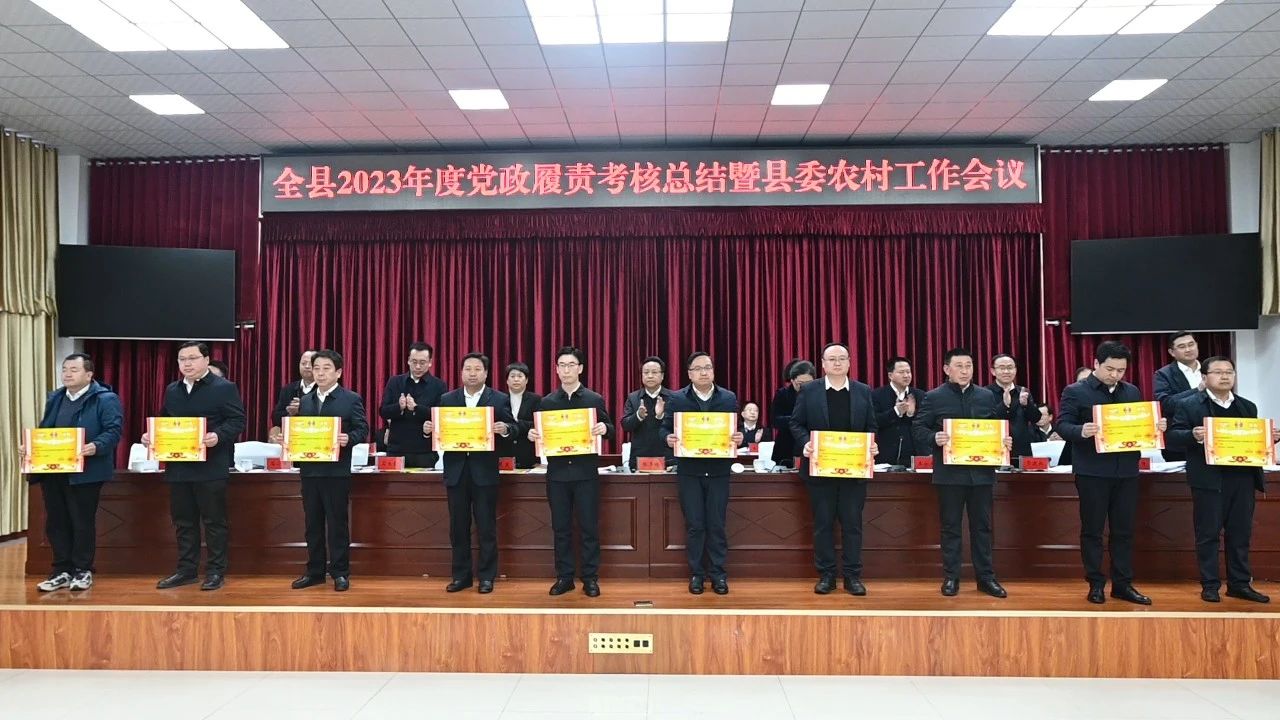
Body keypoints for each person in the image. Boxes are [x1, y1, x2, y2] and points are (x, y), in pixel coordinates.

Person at [1055, 341, 1165, 605]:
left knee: (1124, 531)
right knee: (1093, 530)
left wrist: (1155, 426)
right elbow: (1062, 425)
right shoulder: (1075, 391)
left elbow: (1138, 426)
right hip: (1092, 472)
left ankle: (1122, 584)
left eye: (1121, 370)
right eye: (1110, 369)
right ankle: (1095, 584)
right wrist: (1081, 431)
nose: (1115, 375)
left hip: (1126, 471)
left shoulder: (1132, 391)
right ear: (1096, 363)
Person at [1167, 356, 1274, 603]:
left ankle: (1239, 584)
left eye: (1229, 372)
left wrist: (1270, 439)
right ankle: (1210, 585)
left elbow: (1252, 441)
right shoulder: (1190, 405)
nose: (1225, 376)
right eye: (1218, 372)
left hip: (1243, 479)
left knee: (1240, 534)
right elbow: (1172, 437)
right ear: (1204, 378)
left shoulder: (1247, 406)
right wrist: (1193, 435)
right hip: (1209, 480)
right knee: (1208, 534)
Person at [146, 341, 245, 592]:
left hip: (211, 467)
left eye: (192, 358)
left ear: (206, 360)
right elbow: (165, 420)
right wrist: (152, 435)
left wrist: (218, 435)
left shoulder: (224, 388)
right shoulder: (173, 389)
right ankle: (186, 570)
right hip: (179, 466)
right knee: (183, 521)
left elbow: (237, 420)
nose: (187, 364)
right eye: (182, 359)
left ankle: (215, 571)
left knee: (214, 521)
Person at [913, 347, 1010, 599]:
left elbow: (994, 427)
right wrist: (934, 437)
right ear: (947, 369)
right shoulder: (934, 397)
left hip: (982, 474)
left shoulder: (986, 396)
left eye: (969, 366)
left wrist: (1003, 441)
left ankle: (986, 578)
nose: (965, 371)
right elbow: (918, 428)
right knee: (951, 528)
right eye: (959, 366)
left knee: (983, 528)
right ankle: (951, 577)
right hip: (950, 475)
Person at [21, 353, 123, 592]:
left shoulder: (105, 399)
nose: (67, 374)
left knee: (81, 521)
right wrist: (31, 448)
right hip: (53, 470)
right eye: (65, 369)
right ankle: (61, 570)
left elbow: (114, 430)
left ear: (89, 374)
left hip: (86, 472)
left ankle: (82, 570)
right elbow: (46, 430)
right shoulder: (56, 397)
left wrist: (95, 446)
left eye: (73, 370)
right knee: (56, 522)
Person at [423, 353, 514, 594]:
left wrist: (505, 429)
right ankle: (461, 576)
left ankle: (486, 577)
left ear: (486, 373)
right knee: (458, 527)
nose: (472, 373)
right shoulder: (447, 399)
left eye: (477, 369)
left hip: (485, 473)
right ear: (461, 372)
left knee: (486, 526)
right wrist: (428, 430)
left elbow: (515, 428)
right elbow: (438, 433)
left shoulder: (499, 399)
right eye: (468, 369)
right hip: (456, 472)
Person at [791, 342, 878, 596]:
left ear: (849, 362)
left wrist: (872, 445)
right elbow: (796, 423)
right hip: (820, 471)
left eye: (842, 358)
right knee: (823, 524)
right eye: (832, 359)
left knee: (853, 525)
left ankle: (852, 576)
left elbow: (871, 426)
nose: (837, 363)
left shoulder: (863, 391)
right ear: (823, 364)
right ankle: (826, 575)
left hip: (854, 472)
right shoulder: (810, 391)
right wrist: (806, 443)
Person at [527, 346, 614, 597]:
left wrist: (604, 428)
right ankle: (564, 577)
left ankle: (590, 578)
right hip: (557, 475)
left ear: (580, 368)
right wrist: (533, 434)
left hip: (586, 474)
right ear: (556, 370)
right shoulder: (547, 402)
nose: (566, 370)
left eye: (571, 365)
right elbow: (539, 434)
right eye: (562, 365)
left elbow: (611, 428)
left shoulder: (593, 400)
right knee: (561, 528)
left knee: (588, 527)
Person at [662, 352, 742, 595]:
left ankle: (718, 574)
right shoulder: (677, 399)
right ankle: (696, 574)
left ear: (713, 371)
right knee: (695, 525)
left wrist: (738, 437)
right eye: (698, 368)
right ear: (689, 374)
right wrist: (667, 437)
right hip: (690, 471)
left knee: (716, 524)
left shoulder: (728, 398)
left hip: (718, 471)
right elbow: (664, 428)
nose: (704, 372)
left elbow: (736, 430)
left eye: (707, 367)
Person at [289, 350, 367, 593]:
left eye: (326, 368)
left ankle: (340, 572)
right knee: (312, 524)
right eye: (316, 368)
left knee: (337, 524)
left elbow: (362, 428)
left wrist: (348, 438)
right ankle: (315, 571)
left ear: (338, 372)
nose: (320, 373)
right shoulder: (304, 400)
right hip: (310, 471)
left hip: (336, 472)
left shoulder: (350, 399)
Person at [378, 342, 446, 468]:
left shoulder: (438, 385)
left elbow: (440, 415)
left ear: (430, 362)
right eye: (414, 362)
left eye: (422, 362)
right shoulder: (395, 382)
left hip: (424, 451)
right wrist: (399, 407)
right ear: (408, 360)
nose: (418, 366)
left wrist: (416, 408)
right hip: (396, 450)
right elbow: (383, 411)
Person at [1154, 331, 1204, 462]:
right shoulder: (1163, 374)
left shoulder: (1210, 370)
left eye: (1191, 344)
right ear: (1172, 352)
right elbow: (1166, 404)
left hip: (1210, 441)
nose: (1188, 349)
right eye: (1182, 347)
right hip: (1178, 444)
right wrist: (1198, 390)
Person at [621, 356, 675, 471]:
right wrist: (638, 416)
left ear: (662, 376)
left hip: (667, 459)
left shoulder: (673, 397)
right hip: (639, 459)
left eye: (654, 372)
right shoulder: (633, 398)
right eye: (646, 372)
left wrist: (660, 416)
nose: (650, 376)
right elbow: (625, 425)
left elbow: (678, 426)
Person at [872, 357, 926, 467]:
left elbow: (926, 424)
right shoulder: (876, 395)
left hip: (913, 456)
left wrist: (911, 414)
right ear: (890, 375)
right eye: (901, 372)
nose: (906, 375)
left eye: (908, 372)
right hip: (885, 456)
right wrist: (896, 412)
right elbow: (874, 421)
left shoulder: (920, 395)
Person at [985, 353, 1039, 459]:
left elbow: (1036, 418)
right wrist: (1004, 405)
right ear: (993, 371)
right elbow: (987, 421)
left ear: (1015, 370)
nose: (1006, 371)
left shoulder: (1023, 391)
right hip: (995, 449)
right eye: (1002, 368)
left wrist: (1026, 405)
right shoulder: (985, 393)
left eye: (1010, 368)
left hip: (1023, 450)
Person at [770, 360, 816, 468]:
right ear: (792, 380)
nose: (804, 387)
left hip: (810, 444)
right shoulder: (782, 394)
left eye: (809, 383)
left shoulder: (818, 394)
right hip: (786, 445)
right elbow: (775, 420)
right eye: (800, 384)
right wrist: (797, 420)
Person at [499, 362, 541, 469]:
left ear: (526, 380)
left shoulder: (536, 400)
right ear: (507, 380)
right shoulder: (499, 399)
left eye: (520, 376)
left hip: (529, 457)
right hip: (504, 456)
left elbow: (539, 424)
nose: (516, 379)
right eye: (512, 376)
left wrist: (514, 425)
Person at [269, 349, 317, 443]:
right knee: (275, 431)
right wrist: (290, 413)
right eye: (303, 363)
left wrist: (302, 409)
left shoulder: (324, 389)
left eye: (311, 364)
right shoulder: (289, 389)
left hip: (315, 434)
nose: (307, 366)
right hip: (292, 433)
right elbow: (275, 417)